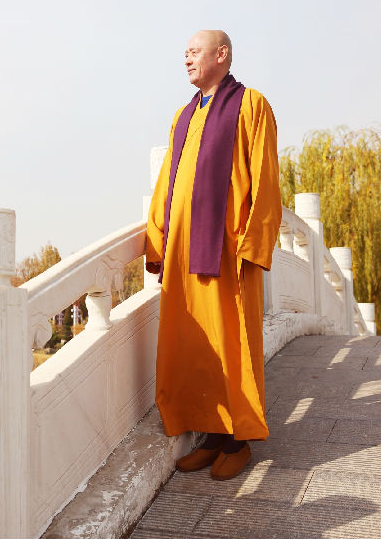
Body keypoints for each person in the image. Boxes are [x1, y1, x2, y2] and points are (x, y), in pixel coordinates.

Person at [145, 30, 282, 481]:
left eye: (194, 51)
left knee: (230, 342)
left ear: (221, 55)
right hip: (185, 251)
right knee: (195, 344)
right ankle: (209, 434)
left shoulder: (250, 105)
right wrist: (158, 239)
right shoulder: (183, 116)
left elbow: (264, 177)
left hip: (226, 249)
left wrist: (253, 242)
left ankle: (238, 440)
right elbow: (168, 182)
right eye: (183, 52)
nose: (185, 57)